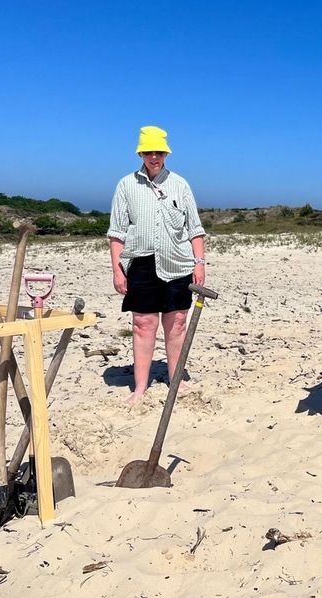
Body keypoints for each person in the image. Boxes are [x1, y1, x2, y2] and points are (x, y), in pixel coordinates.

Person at [107, 126, 207, 406]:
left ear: (166, 153)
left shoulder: (180, 185)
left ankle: (176, 380)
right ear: (140, 152)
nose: (154, 157)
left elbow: (195, 229)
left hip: (178, 263)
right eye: (149, 152)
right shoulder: (126, 185)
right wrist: (117, 269)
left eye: (159, 152)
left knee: (176, 324)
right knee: (143, 323)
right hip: (140, 263)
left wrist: (199, 263)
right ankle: (140, 386)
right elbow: (117, 233)